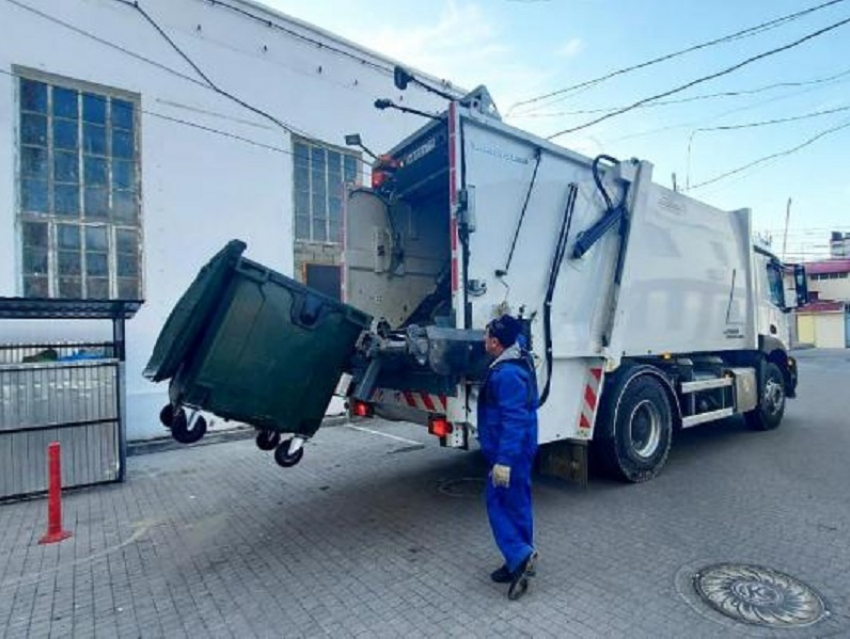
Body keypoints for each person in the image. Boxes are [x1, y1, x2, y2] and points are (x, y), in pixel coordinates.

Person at [478, 314, 539, 600]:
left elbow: (514, 420)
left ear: (495, 343)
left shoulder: (507, 375)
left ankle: (520, 555)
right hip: (519, 450)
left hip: (511, 453)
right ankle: (518, 559)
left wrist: (504, 461)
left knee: (497, 502)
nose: (483, 340)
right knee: (517, 504)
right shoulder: (518, 356)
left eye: (486, 335)